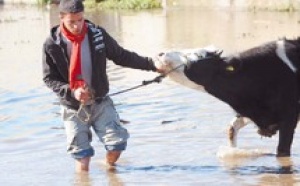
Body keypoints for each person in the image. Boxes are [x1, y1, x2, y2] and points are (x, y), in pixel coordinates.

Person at [42, 0, 163, 172]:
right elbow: (49, 78)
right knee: (83, 157)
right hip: (72, 107)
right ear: (61, 18)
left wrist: (151, 64)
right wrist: (72, 91)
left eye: (80, 20)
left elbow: (121, 56)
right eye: (72, 22)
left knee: (117, 145)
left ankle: (109, 170)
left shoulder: (97, 34)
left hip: (100, 101)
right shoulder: (51, 44)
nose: (77, 26)